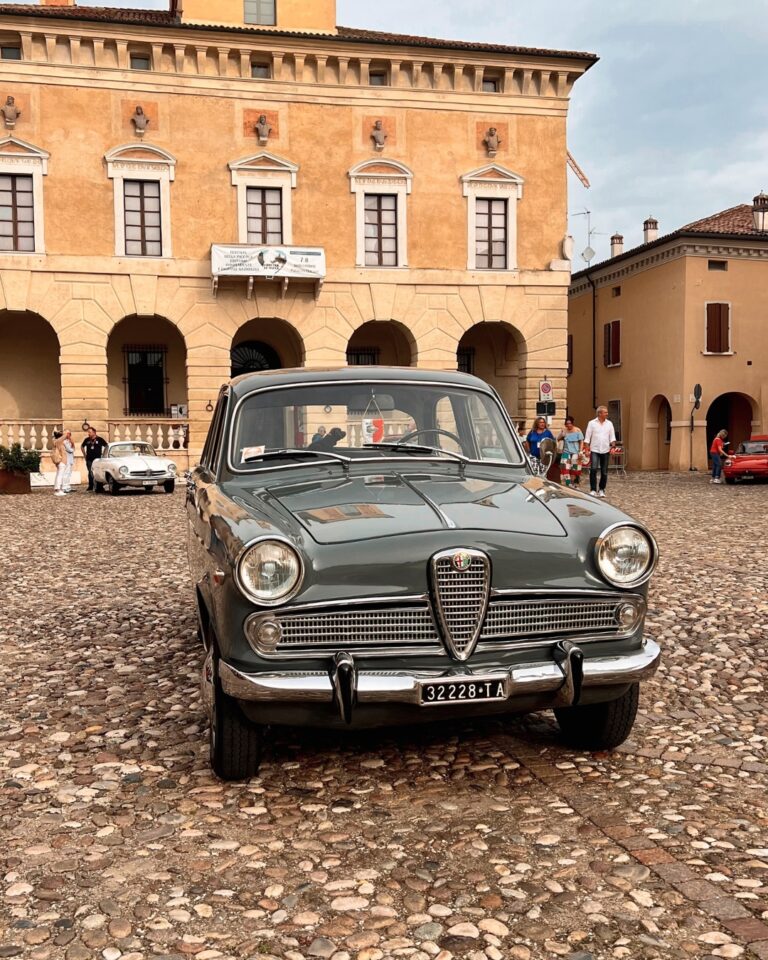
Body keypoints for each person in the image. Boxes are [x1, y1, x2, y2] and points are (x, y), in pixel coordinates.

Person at [584, 405, 616, 498]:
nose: (607, 414)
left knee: (604, 471)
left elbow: (612, 437)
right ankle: (593, 490)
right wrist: (586, 449)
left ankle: (601, 489)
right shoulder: (591, 423)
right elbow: (587, 437)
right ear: (599, 413)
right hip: (594, 450)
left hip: (605, 450)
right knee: (593, 469)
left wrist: (613, 447)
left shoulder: (609, 424)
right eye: (605, 412)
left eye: (607, 412)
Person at [557, 416, 584, 487]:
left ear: (572, 423)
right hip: (566, 452)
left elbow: (581, 441)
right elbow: (557, 438)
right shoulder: (564, 430)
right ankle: (568, 484)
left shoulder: (577, 430)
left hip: (576, 452)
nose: (569, 425)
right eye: (567, 424)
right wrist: (561, 438)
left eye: (570, 423)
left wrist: (580, 451)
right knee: (565, 469)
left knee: (575, 469)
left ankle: (574, 483)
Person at [81, 426, 108, 492]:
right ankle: (91, 486)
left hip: (98, 460)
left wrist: (104, 455)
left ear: (94, 432)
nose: (88, 433)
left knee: (98, 473)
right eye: (88, 432)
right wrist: (84, 455)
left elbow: (106, 446)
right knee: (90, 472)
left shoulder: (100, 439)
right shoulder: (87, 439)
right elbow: (82, 446)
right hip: (89, 459)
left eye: (90, 432)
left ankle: (99, 487)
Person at [51, 430, 67, 497]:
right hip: (61, 461)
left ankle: (57, 489)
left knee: (58, 475)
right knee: (60, 476)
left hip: (59, 461)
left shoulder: (56, 442)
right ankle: (58, 489)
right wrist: (65, 432)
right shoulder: (58, 442)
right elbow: (65, 435)